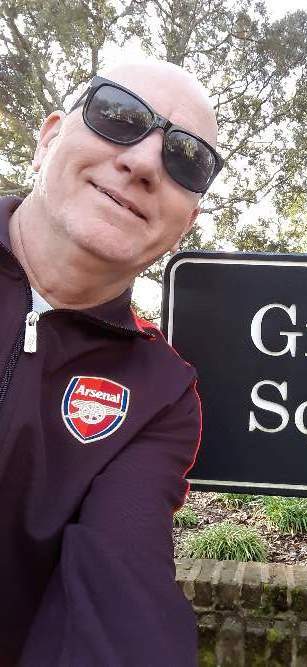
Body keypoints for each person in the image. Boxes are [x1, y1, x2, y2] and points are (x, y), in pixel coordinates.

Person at [0, 60, 222, 666]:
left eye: (187, 161)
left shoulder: (163, 396)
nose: (146, 163)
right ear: (48, 139)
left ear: (186, 222)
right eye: (118, 117)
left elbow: (120, 602)